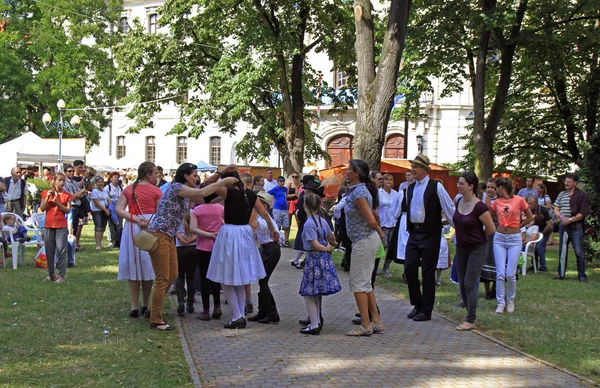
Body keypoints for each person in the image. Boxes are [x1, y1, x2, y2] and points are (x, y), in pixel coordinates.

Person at [146, 163, 237, 331]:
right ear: (186, 176)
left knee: (172, 275)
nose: (197, 177)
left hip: (168, 237)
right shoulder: (177, 187)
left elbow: (205, 194)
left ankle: (153, 308)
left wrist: (224, 183)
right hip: (159, 235)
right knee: (163, 278)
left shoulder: (186, 191)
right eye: (194, 175)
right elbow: (203, 192)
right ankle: (156, 319)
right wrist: (224, 182)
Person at [206, 170, 279, 329]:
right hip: (245, 233)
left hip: (230, 233)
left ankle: (237, 315)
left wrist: (221, 175)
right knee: (240, 278)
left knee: (225, 278)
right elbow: (265, 214)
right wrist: (274, 230)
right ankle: (238, 315)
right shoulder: (252, 196)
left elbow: (208, 184)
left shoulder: (229, 192)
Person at [404, 154, 455, 322]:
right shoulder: (410, 188)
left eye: (416, 167)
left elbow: (449, 207)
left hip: (430, 234)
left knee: (427, 273)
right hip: (414, 233)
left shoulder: (436, 186)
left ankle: (427, 310)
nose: (412, 170)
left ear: (425, 170)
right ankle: (417, 304)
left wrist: (459, 228)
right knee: (409, 269)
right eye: (412, 167)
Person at [116, 162, 163, 319]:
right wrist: (148, 221)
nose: (157, 176)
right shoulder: (156, 191)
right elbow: (160, 212)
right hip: (150, 226)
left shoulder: (129, 189)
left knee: (134, 265)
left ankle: (134, 305)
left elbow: (119, 209)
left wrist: (135, 218)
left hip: (133, 227)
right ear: (148, 174)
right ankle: (145, 303)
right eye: (155, 173)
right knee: (148, 266)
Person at [343, 159, 385, 336]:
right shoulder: (359, 190)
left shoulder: (359, 192)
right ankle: (376, 321)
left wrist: (378, 230)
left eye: (349, 169)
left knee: (358, 284)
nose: (346, 172)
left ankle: (365, 325)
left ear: (356, 173)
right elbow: (374, 213)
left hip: (363, 241)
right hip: (366, 240)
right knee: (366, 283)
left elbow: (370, 218)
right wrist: (380, 232)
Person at [452, 171, 496, 331]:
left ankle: (471, 319)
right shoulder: (458, 201)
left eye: (461, 183)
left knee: (470, 283)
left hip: (477, 248)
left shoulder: (479, 206)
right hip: (461, 248)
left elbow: (491, 229)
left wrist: (477, 238)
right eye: (458, 183)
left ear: (471, 186)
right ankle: (469, 313)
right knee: (462, 283)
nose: (458, 185)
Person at [298, 193, 341, 335]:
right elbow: (331, 236)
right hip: (324, 259)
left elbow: (315, 245)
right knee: (316, 292)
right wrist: (333, 243)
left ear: (305, 206)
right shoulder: (322, 221)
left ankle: (314, 323)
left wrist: (326, 247)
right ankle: (316, 320)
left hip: (314, 259)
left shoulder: (309, 223)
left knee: (309, 293)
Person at [489, 177, 533, 314]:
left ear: (502, 187)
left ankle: (510, 301)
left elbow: (530, 217)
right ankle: (500, 303)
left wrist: (518, 226)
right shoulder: (497, 202)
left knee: (510, 274)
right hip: (500, 238)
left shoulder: (519, 200)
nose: (495, 190)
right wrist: (501, 222)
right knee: (500, 273)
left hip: (514, 239)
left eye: (497, 188)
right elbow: (490, 215)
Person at [248, 192, 282, 324]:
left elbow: (263, 228)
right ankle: (263, 310)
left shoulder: (264, 220)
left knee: (263, 281)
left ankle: (272, 312)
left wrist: (254, 228)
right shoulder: (260, 219)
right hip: (265, 249)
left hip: (271, 250)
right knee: (261, 280)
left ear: (265, 206)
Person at [191, 195, 224, 321]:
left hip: (202, 246)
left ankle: (206, 310)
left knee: (204, 278)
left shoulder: (197, 210)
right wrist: (216, 233)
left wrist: (208, 234)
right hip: (217, 246)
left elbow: (193, 229)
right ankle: (217, 306)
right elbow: (224, 223)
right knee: (215, 278)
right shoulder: (220, 208)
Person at [553, 174, 590, 282]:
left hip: (575, 226)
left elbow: (583, 213)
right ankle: (561, 274)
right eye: (565, 181)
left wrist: (570, 220)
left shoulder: (581, 195)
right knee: (562, 250)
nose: (566, 183)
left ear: (575, 183)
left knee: (579, 251)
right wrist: (562, 217)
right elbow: (556, 208)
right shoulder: (562, 194)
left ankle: (582, 276)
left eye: (569, 181)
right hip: (563, 226)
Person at [39, 173, 73, 284]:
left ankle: (61, 275)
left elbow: (67, 210)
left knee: (61, 250)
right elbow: (42, 208)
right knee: (49, 250)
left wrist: (57, 202)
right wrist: (48, 197)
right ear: (54, 180)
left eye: (64, 181)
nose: (62, 183)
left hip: (61, 225)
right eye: (60, 180)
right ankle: (51, 274)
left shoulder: (67, 195)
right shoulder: (45, 193)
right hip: (48, 225)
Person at [175, 203, 198, 316]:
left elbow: (172, 228)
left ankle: (180, 302)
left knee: (179, 276)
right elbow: (199, 229)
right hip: (193, 247)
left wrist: (179, 237)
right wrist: (192, 239)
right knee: (191, 276)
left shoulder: (176, 213)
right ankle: (190, 304)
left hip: (180, 247)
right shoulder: (195, 213)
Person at [378, 173, 400, 277]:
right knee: (382, 245)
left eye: (390, 179)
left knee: (391, 247)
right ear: (382, 181)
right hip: (382, 223)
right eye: (386, 179)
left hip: (393, 223)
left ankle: (386, 267)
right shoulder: (379, 193)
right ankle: (376, 266)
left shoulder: (396, 194)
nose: (388, 181)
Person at [480, 178, 498, 299]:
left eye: (493, 187)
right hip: (485, 232)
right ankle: (487, 290)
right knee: (486, 259)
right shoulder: (482, 200)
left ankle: (495, 288)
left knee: (496, 260)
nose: (490, 189)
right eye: (488, 187)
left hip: (497, 232)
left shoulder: (500, 201)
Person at [526, 195, 552, 272]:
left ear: (536, 203)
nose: (529, 205)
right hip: (536, 229)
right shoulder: (529, 210)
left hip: (545, 229)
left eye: (531, 204)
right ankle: (533, 265)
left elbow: (549, 224)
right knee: (533, 246)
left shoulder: (543, 210)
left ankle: (543, 267)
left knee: (540, 247)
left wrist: (541, 234)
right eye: (528, 203)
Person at [90, 176, 111, 250]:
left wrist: (110, 206)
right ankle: (97, 244)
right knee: (98, 227)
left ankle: (100, 243)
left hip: (104, 210)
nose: (100, 183)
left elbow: (108, 199)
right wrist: (105, 209)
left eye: (102, 182)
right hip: (96, 211)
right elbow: (96, 203)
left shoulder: (105, 191)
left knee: (103, 227)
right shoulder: (94, 192)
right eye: (99, 182)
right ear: (96, 183)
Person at [268, 176, 290, 247]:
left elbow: (286, 196)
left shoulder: (285, 189)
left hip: (285, 209)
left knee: (286, 225)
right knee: (277, 225)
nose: (282, 182)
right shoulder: (275, 189)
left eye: (283, 181)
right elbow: (268, 194)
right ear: (277, 182)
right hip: (277, 208)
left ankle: (286, 241)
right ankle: (276, 240)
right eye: (280, 181)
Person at [105, 171, 123, 248]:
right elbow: (106, 196)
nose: (116, 179)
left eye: (117, 177)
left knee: (119, 224)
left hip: (119, 207)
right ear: (111, 178)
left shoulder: (120, 187)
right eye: (114, 177)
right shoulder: (108, 187)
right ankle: (112, 240)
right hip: (111, 207)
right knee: (111, 224)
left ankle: (118, 240)